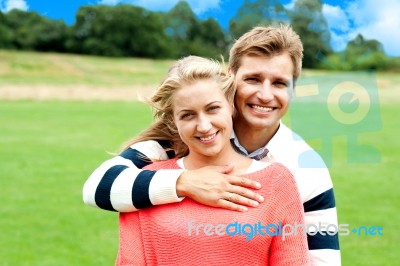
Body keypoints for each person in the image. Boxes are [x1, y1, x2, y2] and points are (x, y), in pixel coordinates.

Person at [83, 24, 340, 265]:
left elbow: (323, 260)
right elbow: (97, 187)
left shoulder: (306, 169)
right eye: (252, 79)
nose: (265, 94)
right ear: (231, 80)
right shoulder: (176, 142)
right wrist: (184, 182)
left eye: (279, 83)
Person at [116, 55, 309, 265]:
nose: (204, 126)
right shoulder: (145, 184)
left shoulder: (277, 182)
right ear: (174, 122)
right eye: (188, 115)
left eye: (212, 109)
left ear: (231, 106)